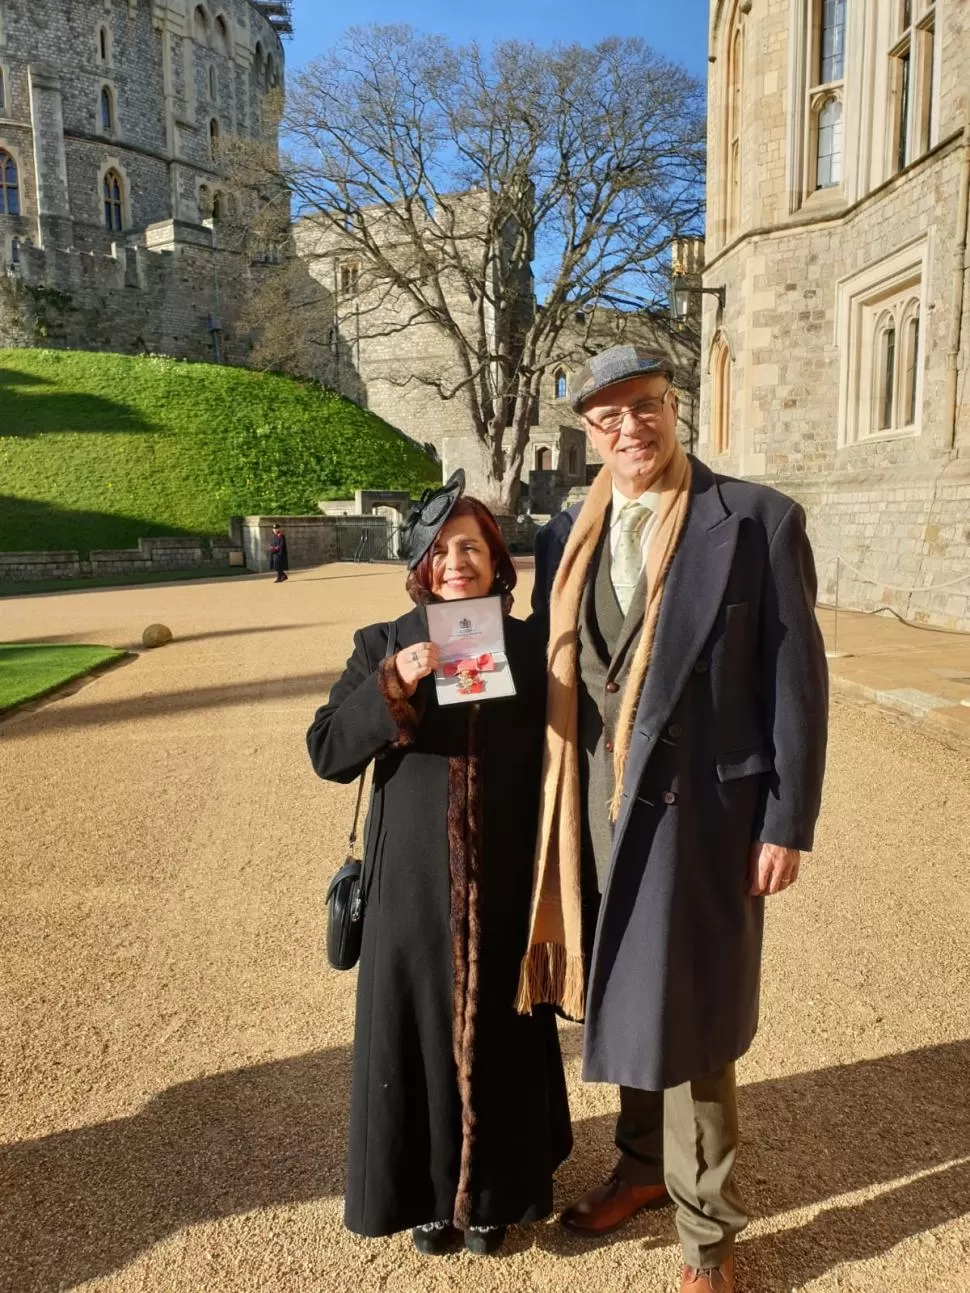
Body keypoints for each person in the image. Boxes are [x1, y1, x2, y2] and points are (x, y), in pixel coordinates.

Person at [518, 346, 828, 1293]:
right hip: (596, 814)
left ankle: (709, 1238)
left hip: (706, 817)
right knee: (629, 995)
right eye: (607, 418)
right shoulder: (568, 530)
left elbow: (797, 685)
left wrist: (786, 820)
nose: (629, 429)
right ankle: (646, 1167)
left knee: (692, 1021)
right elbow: (549, 665)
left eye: (644, 407)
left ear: (673, 407)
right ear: (588, 434)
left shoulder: (758, 520)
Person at [306, 471, 572, 1257]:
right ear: (421, 565)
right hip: (412, 888)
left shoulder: (529, 646)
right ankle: (429, 1195)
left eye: (474, 546)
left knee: (504, 1033)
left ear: (496, 561)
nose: (458, 561)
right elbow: (325, 752)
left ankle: (495, 1196)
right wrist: (395, 683)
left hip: (505, 877)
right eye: (442, 549)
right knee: (417, 1035)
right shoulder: (381, 643)